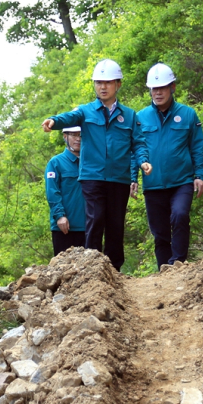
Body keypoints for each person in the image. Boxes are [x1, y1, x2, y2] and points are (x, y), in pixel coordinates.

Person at [41, 59, 152, 271]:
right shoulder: (86, 111)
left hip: (118, 179)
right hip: (92, 177)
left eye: (108, 83)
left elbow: (138, 142)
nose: (102, 87)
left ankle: (114, 269)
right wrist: (54, 121)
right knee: (95, 218)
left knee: (115, 224)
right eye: (98, 83)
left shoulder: (129, 115)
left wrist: (143, 161)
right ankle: (91, 267)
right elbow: (69, 117)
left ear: (118, 84)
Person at [135, 63, 203, 269]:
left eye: (162, 88)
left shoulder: (188, 114)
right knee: (159, 232)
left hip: (182, 181)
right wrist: (133, 178)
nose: (158, 93)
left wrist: (200, 175)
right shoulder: (140, 118)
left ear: (172, 87)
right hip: (153, 184)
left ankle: (178, 263)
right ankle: (163, 272)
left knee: (180, 215)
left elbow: (198, 147)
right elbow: (135, 150)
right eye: (154, 89)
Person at [45, 126, 86, 256]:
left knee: (90, 272)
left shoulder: (91, 163)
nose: (78, 138)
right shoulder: (56, 163)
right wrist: (60, 215)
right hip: (64, 228)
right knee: (64, 271)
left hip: (89, 227)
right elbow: (52, 191)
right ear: (65, 137)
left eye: (81, 135)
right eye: (74, 135)